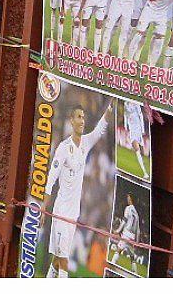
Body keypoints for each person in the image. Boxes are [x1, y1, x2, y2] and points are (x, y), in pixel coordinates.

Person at [45, 104, 112, 277]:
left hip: (73, 213)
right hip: (61, 211)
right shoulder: (63, 148)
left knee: (58, 257)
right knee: (64, 257)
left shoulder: (86, 143)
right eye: (78, 117)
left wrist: (110, 109)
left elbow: (99, 131)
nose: (82, 120)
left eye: (83, 117)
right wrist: (44, 207)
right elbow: (51, 178)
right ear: (71, 121)